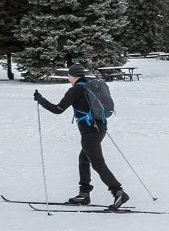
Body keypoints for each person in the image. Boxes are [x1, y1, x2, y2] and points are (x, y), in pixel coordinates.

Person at [34, 63, 129, 210]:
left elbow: (58, 109)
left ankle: (118, 192)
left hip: (90, 131)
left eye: (69, 76)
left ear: (73, 76)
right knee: (84, 159)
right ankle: (84, 193)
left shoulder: (76, 90)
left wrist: (40, 99)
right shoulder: (89, 85)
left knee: (97, 163)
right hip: (100, 127)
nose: (69, 79)